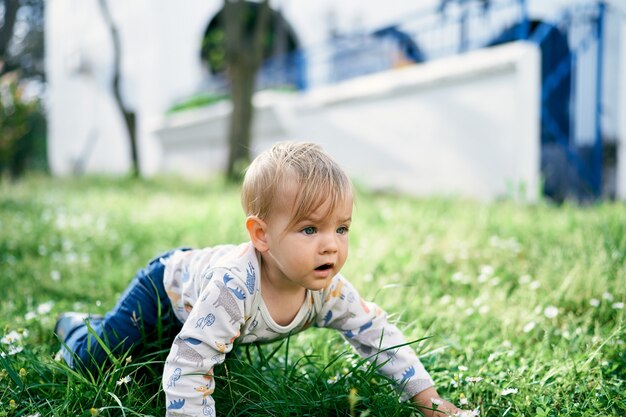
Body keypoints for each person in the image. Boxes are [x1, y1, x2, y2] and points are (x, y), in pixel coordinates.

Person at [55, 142, 465, 417]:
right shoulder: (233, 290)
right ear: (261, 235)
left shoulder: (328, 290)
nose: (331, 247)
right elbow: (190, 365)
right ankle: (72, 328)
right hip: (165, 289)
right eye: (309, 229)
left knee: (195, 344)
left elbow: (377, 334)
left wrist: (429, 401)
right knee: (99, 357)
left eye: (341, 229)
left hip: (203, 307)